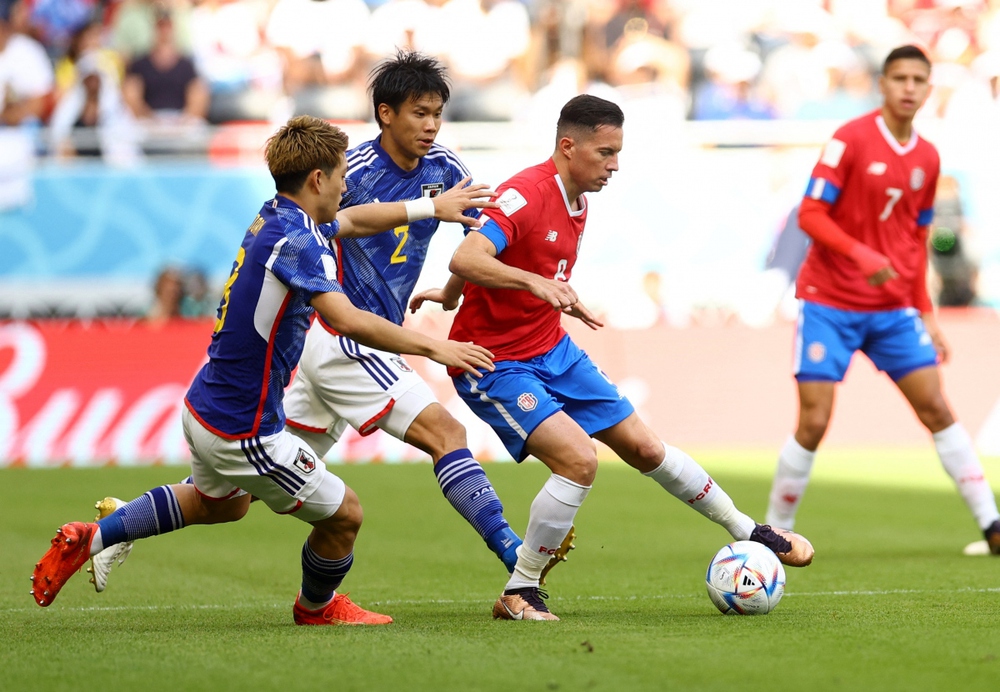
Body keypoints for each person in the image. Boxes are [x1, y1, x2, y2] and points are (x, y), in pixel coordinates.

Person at [87, 52, 558, 594]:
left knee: (231, 500)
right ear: (386, 114)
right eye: (419, 113)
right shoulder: (347, 172)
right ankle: (517, 562)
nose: (430, 125)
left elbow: (478, 242)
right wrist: (433, 336)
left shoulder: (446, 170)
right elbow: (344, 222)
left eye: (437, 114)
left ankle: (119, 524)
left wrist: (452, 290)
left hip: (329, 347)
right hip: (347, 339)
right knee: (445, 433)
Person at [29, 115, 498, 626]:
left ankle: (91, 537)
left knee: (220, 505)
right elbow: (347, 321)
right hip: (243, 430)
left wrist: (431, 206)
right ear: (318, 179)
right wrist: (434, 348)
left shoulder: (275, 216)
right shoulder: (304, 244)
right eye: (341, 175)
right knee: (345, 516)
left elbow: (359, 221)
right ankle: (316, 608)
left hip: (206, 405)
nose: (347, 184)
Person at [412, 94, 815, 622]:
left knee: (646, 448)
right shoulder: (525, 193)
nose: (614, 165)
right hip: (493, 361)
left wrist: (453, 294)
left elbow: (488, 256)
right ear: (567, 145)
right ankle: (520, 591)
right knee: (579, 460)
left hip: (551, 347)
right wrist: (525, 285)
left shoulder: (579, 201)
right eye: (605, 153)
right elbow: (469, 252)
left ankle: (749, 531)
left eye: (618, 152)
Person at [763, 45, 1000, 555]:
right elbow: (809, 215)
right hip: (830, 302)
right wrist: (862, 255)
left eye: (919, 79)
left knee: (936, 406)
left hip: (893, 310)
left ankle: (993, 526)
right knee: (815, 420)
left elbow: (916, 245)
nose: (909, 87)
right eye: (900, 78)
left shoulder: (928, 157)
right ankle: (772, 533)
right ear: (883, 85)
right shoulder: (849, 140)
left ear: (929, 89)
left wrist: (928, 316)